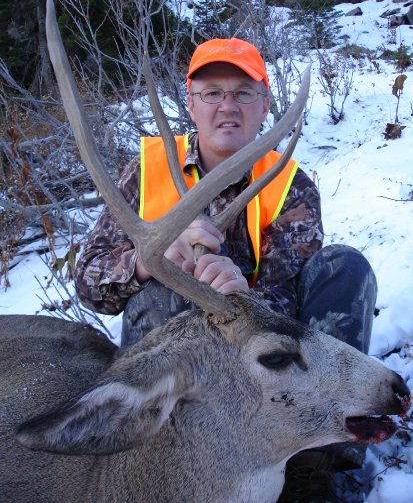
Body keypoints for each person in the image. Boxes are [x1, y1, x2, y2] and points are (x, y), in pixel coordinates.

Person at [74, 38, 377, 502]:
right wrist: (146, 262)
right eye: (212, 93)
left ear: (264, 105)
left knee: (344, 267)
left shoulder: (289, 185)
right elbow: (90, 284)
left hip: (261, 371)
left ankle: (311, 462)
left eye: (243, 92)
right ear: (192, 104)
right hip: (183, 380)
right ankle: (159, 465)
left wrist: (241, 297)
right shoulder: (147, 172)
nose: (227, 106)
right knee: (161, 291)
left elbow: (288, 302)